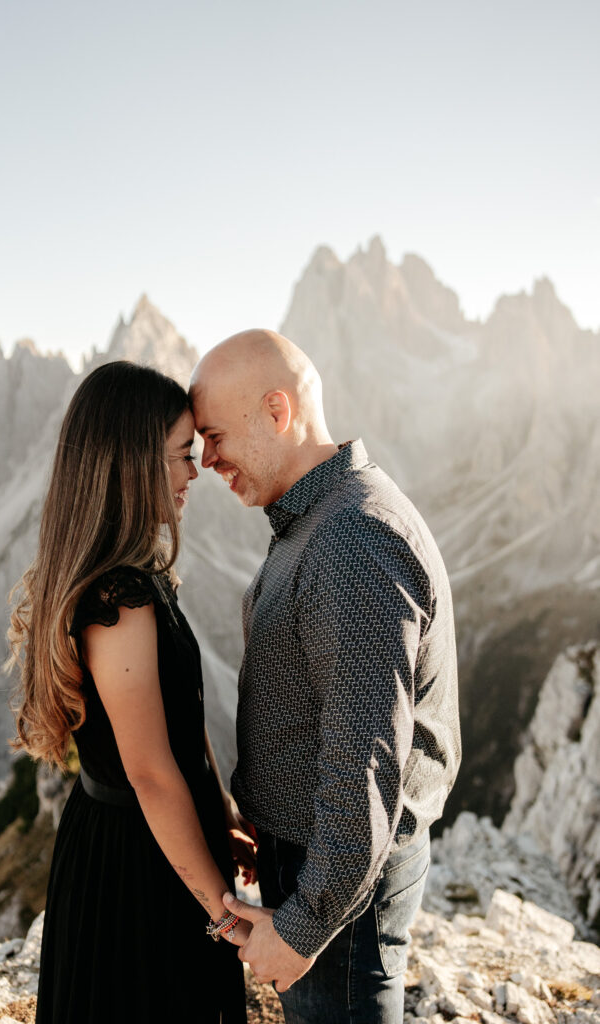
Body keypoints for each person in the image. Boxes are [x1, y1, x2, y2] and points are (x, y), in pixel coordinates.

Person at [190, 330, 461, 1024]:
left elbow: (364, 763)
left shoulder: (350, 538)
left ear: (277, 410)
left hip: (339, 880)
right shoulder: (314, 519)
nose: (206, 458)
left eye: (215, 435)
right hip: (317, 861)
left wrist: (305, 925)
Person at [7, 360, 254, 1023]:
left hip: (144, 837)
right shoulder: (121, 599)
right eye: (180, 455)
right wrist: (222, 914)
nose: (194, 472)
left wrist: (220, 811)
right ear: (135, 462)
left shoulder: (133, 577)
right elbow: (147, 771)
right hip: (137, 861)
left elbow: (180, 716)